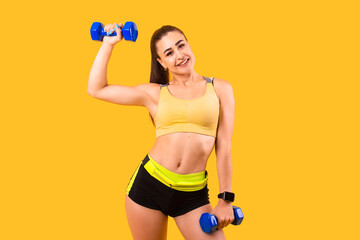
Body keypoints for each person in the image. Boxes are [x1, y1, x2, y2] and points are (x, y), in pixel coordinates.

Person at [87, 22, 235, 240]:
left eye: (181, 46)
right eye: (169, 53)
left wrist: (225, 200)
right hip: (149, 187)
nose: (179, 55)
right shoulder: (154, 93)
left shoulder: (220, 88)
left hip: (192, 195)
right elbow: (96, 89)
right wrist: (108, 44)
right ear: (162, 62)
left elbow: (223, 146)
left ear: (189, 45)